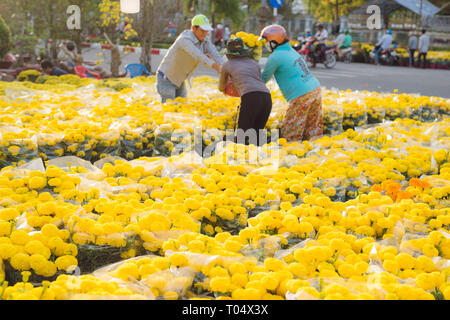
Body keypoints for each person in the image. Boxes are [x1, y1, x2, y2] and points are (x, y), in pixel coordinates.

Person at [260, 25, 322, 142]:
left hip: (301, 95)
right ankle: (316, 154)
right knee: (313, 130)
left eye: (266, 40)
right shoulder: (290, 50)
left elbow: (263, 79)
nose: (265, 44)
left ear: (274, 40)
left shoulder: (275, 56)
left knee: (291, 134)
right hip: (315, 89)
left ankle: (291, 157)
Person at [156, 14, 225, 103]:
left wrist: (224, 66)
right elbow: (198, 55)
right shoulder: (184, 39)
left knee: (182, 108)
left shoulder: (205, 40)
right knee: (169, 109)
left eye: (206, 31)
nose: (205, 33)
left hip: (179, 80)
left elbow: (215, 54)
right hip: (166, 78)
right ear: (193, 28)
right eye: (202, 30)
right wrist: (216, 67)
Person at [218, 37, 272, 146]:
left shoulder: (227, 65)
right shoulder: (254, 63)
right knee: (256, 137)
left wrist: (230, 85)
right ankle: (255, 160)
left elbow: (221, 87)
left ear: (228, 54)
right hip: (266, 97)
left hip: (250, 98)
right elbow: (255, 81)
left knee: (241, 137)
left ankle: (239, 161)